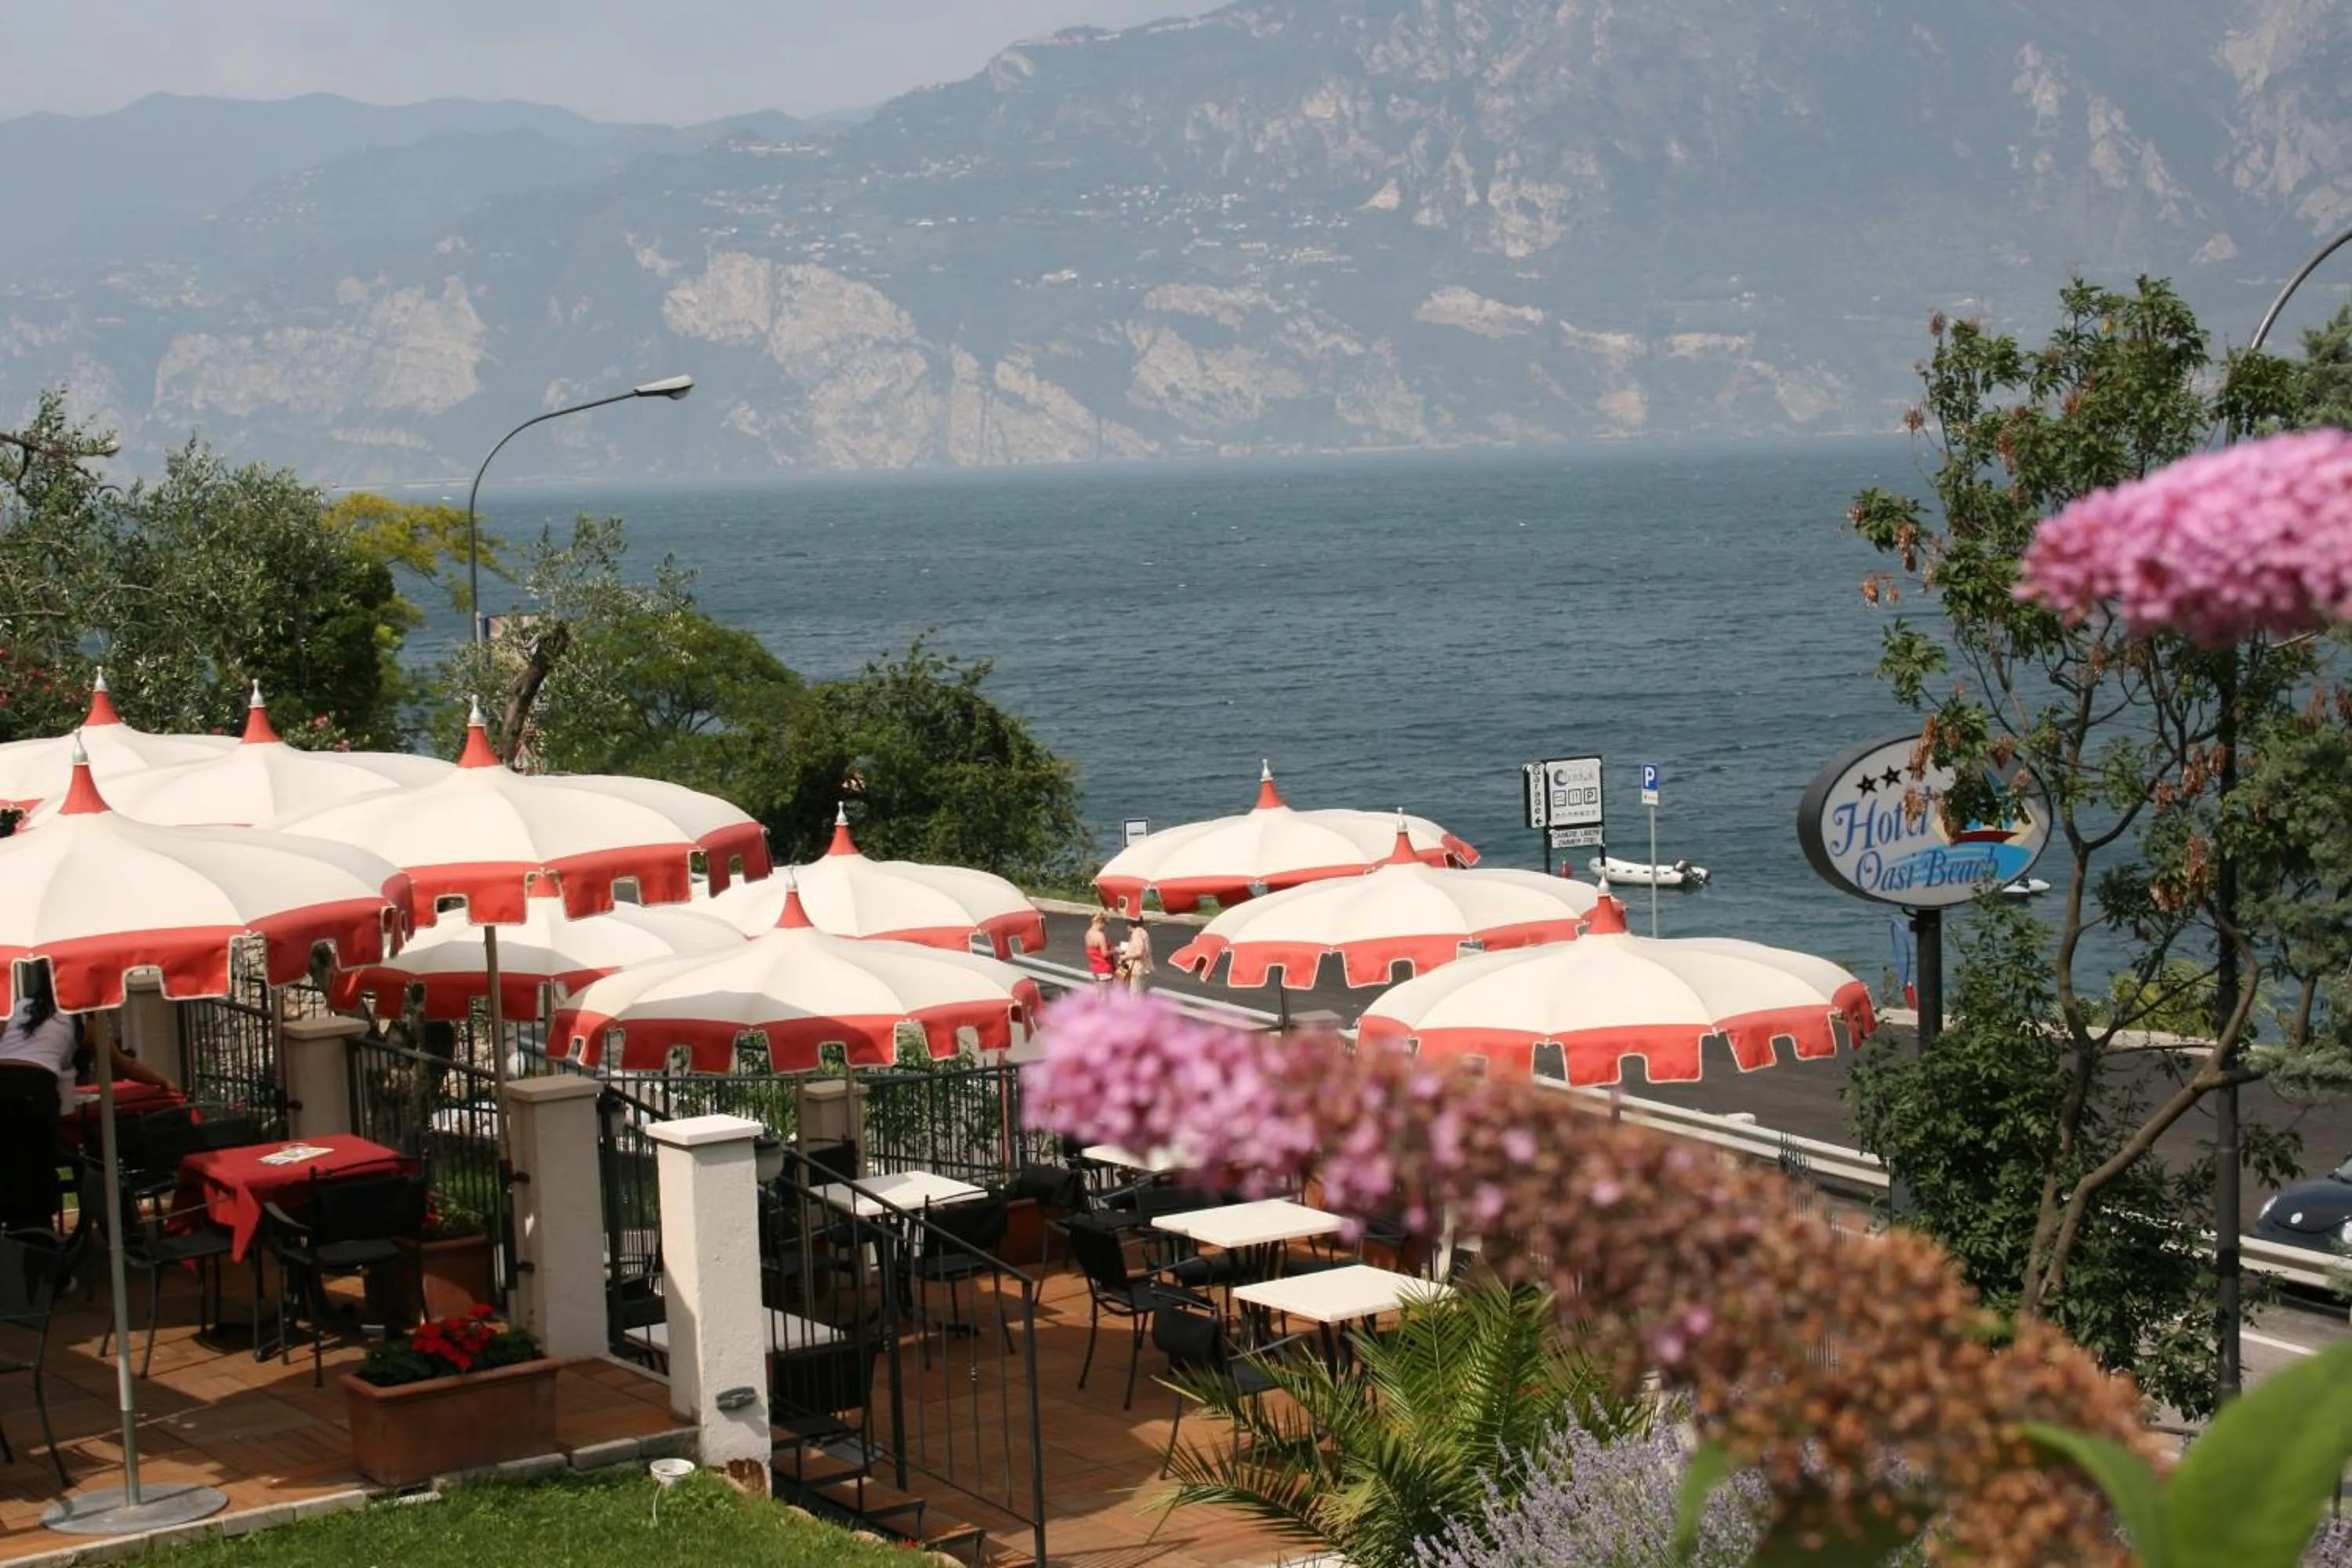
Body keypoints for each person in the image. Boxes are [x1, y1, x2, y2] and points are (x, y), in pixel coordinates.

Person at [0, 965, 176, 1232]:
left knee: (12, 1162)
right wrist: (162, 1081)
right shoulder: (79, 1020)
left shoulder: (19, 1007)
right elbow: (124, 1064)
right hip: (35, 1091)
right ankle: (37, 1239)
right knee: (36, 1167)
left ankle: (18, 1234)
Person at [1120, 916, 1155, 996]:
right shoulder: (1142, 932)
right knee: (1138, 992)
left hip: (1136, 969)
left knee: (1135, 995)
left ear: (1130, 924)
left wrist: (1125, 957)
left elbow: (1139, 953)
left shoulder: (1137, 934)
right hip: (1140, 967)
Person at [1083, 912, 1117, 990]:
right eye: (1105, 924)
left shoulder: (1088, 934)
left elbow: (1094, 951)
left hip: (1095, 967)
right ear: (1101, 922)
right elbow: (1105, 953)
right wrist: (1116, 951)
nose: (1105, 927)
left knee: (1099, 992)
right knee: (1106, 994)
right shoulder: (1100, 936)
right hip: (1105, 968)